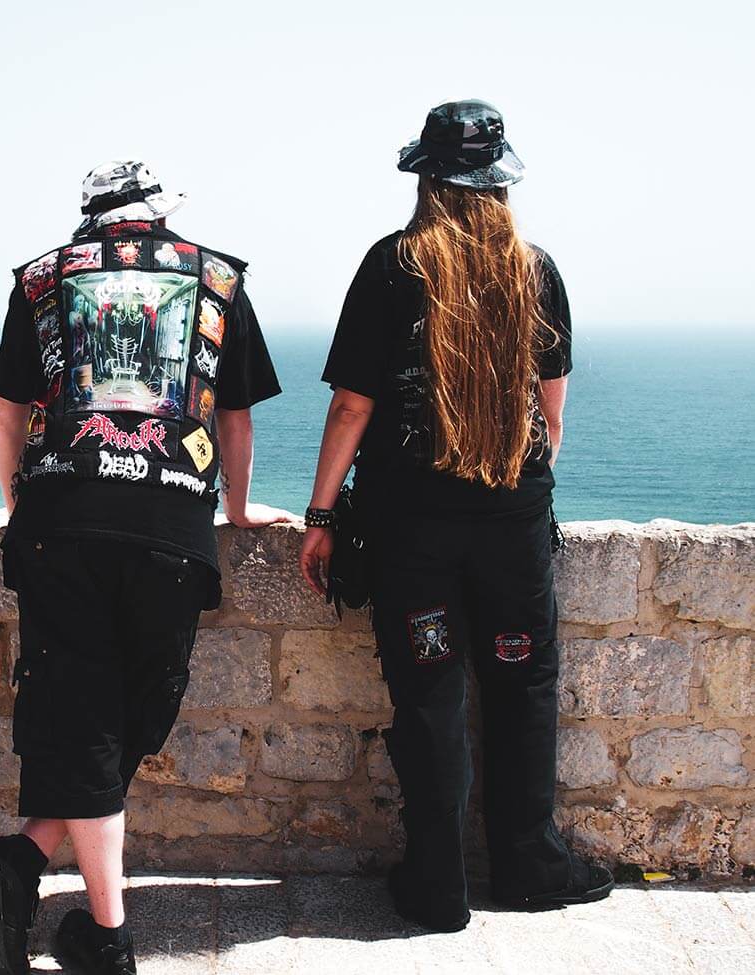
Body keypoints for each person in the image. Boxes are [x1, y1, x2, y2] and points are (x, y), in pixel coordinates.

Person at [298, 101, 613, 932]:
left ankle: (437, 888)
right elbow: (552, 416)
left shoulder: (392, 265)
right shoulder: (536, 269)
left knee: (430, 689)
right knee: (522, 681)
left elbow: (350, 408)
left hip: (414, 532)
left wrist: (321, 511)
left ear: (427, 180)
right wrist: (518, 489)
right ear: (500, 181)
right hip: (513, 523)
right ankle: (531, 864)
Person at [0, 159, 288, 975]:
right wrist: (240, 508)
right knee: (133, 708)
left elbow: (9, 415)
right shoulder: (216, 278)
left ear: (95, 222)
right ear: (158, 219)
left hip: (60, 523)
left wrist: (21, 506)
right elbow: (235, 417)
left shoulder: (43, 279)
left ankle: (28, 855)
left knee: (95, 716)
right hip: (170, 527)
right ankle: (106, 937)